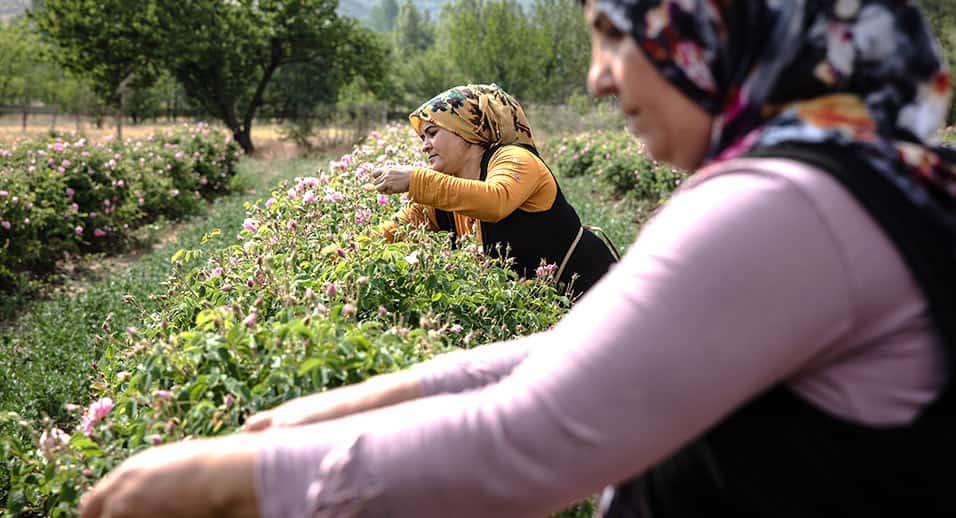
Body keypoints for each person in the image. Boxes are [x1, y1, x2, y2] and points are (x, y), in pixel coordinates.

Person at [80, 1, 956, 517]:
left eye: (618, 34)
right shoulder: (852, 180)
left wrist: (228, 481)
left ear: (720, 26)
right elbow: (590, 354)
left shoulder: (783, 206)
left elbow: (530, 439)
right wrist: (339, 405)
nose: (597, 78)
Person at [372, 83, 619, 297]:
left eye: (432, 133)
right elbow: (395, 231)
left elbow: (495, 200)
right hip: (537, 312)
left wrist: (416, 180)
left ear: (465, 129)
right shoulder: (444, 186)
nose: (425, 146)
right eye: (422, 138)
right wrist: (340, 254)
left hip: (590, 291)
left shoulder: (515, 159)